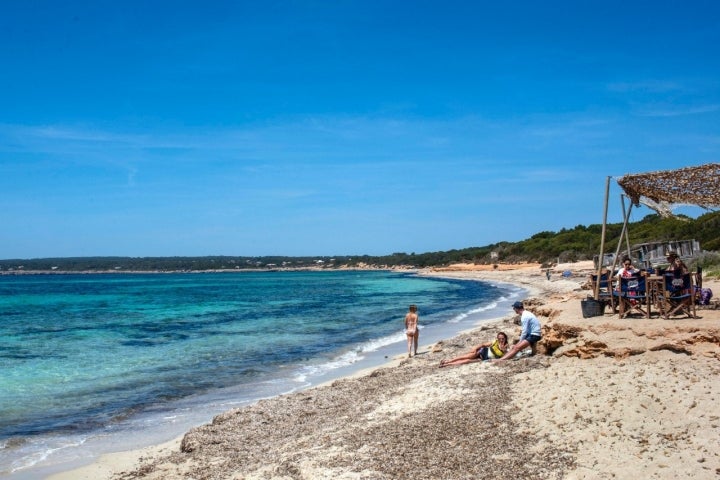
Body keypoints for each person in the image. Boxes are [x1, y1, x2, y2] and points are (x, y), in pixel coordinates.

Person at [438, 332, 508, 367]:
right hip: (481, 352)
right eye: (499, 338)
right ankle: (447, 361)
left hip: (484, 358)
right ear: (497, 338)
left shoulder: (506, 347)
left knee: (467, 361)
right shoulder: (494, 341)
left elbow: (505, 357)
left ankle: (448, 364)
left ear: (505, 338)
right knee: (465, 356)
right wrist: (475, 349)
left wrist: (503, 350)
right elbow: (483, 345)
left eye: (502, 338)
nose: (501, 340)